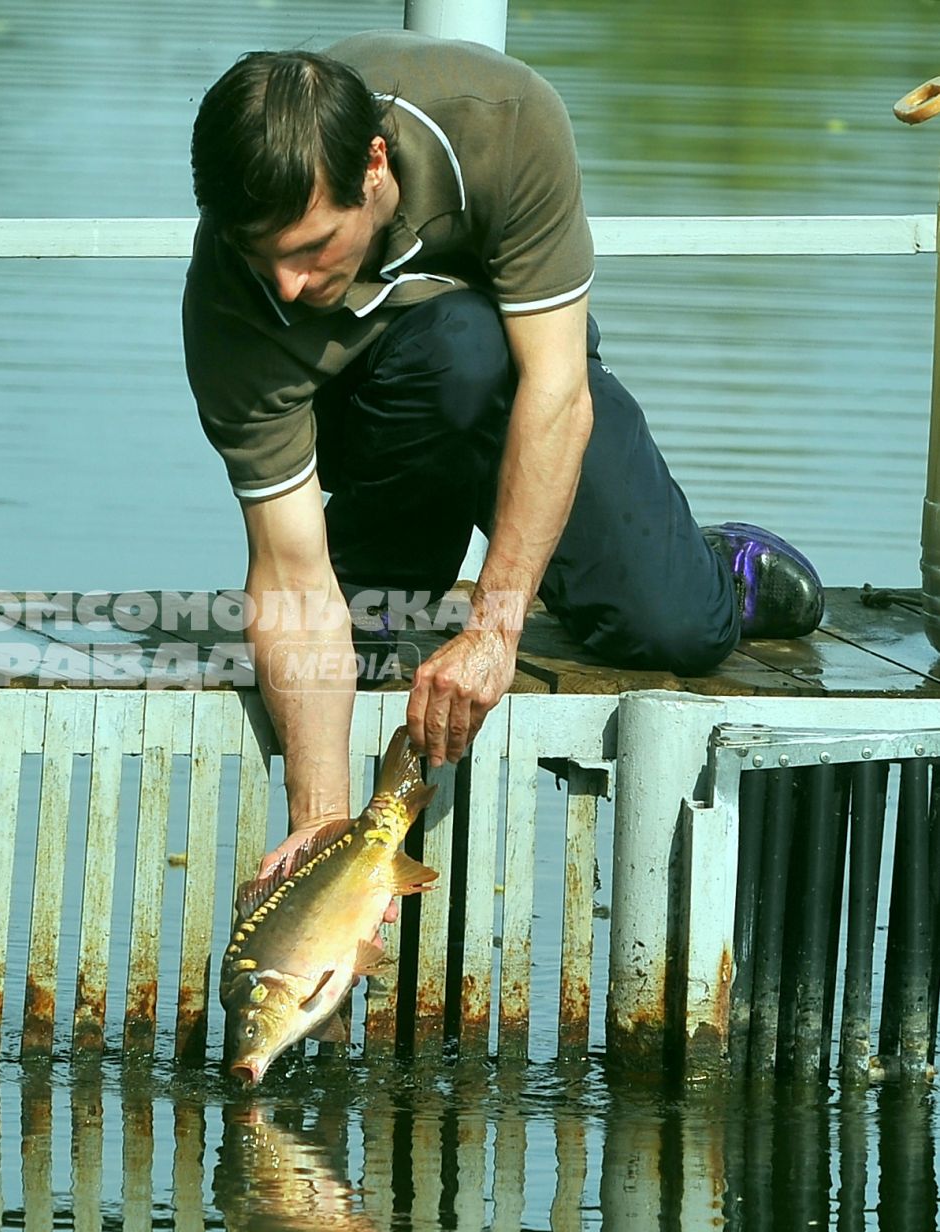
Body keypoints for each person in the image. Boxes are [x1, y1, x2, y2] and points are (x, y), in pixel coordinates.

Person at [182, 30, 823, 866]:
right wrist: (320, 824)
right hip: (368, 426)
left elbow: (555, 392)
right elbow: (288, 568)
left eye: (310, 250)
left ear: (374, 165)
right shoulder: (231, 297)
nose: (288, 288)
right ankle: (386, 570)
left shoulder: (506, 121)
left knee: (674, 629)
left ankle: (712, 568)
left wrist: (493, 628)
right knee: (356, 628)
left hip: (515, 381)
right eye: (264, 260)